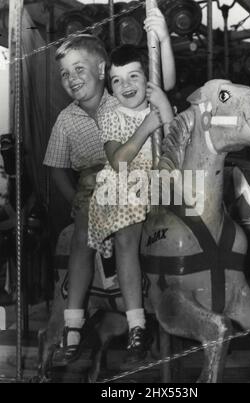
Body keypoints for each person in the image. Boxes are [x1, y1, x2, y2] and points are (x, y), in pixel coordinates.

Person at [88, 8, 175, 365]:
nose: (127, 86)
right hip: (121, 187)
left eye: (135, 76)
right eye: (117, 80)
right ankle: (137, 321)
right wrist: (146, 126)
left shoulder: (155, 99)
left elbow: (166, 81)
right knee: (127, 230)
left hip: (159, 182)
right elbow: (119, 161)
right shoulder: (111, 115)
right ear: (109, 88)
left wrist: (164, 39)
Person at [43, 34, 119, 363]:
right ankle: (73, 321)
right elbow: (57, 168)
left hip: (127, 181)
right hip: (89, 189)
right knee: (83, 230)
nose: (72, 79)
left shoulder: (122, 105)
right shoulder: (65, 120)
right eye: (64, 74)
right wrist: (73, 198)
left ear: (101, 70)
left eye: (79, 69)